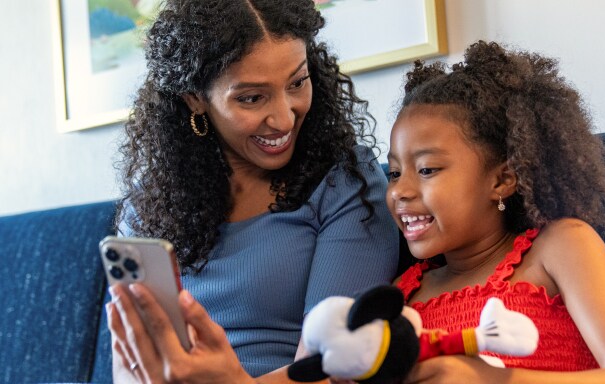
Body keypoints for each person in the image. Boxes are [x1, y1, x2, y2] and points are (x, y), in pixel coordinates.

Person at [106, 0, 398, 382]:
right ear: (195, 98)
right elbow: (131, 363)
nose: (283, 118)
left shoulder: (346, 183)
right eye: (251, 97)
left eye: (297, 83)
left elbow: (338, 368)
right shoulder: (146, 209)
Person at [387, 41, 605, 383]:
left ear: (503, 179)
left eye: (427, 169)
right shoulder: (401, 295)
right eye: (393, 173)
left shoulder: (561, 247)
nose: (399, 191)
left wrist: (492, 380)